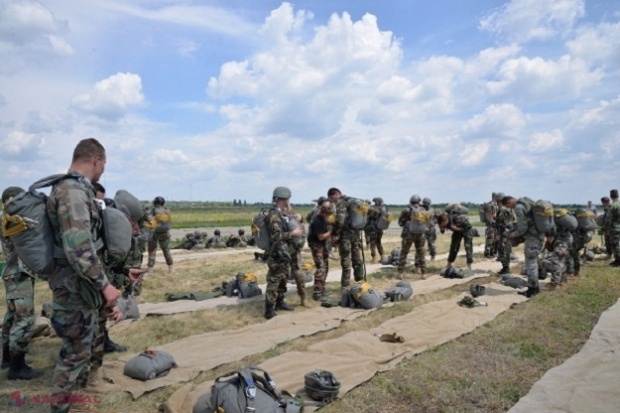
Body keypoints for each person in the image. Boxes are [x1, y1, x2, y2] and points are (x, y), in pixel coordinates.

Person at [46, 138, 121, 413]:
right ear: (95, 160)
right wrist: (105, 286)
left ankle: (75, 402)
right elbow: (79, 248)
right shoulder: (72, 192)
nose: (103, 171)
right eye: (103, 165)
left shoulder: (75, 190)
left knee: (82, 348)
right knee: (74, 355)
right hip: (73, 286)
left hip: (78, 284)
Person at [0, 187, 44, 380]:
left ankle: (7, 359)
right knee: (24, 319)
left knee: (12, 316)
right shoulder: (9, 219)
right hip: (19, 274)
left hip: (14, 274)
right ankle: (17, 368)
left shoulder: (7, 219)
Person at [92, 185, 130, 354]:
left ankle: (103, 342)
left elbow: (103, 260)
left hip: (97, 277)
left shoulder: (97, 224)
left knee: (99, 314)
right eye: (98, 201)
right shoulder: (81, 225)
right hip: (84, 281)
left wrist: (126, 270)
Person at [263, 186, 304, 319]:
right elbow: (276, 237)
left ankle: (280, 302)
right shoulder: (274, 215)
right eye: (287, 199)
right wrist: (293, 233)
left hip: (284, 253)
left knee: (283, 279)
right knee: (274, 281)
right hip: (277, 254)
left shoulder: (282, 213)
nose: (288, 202)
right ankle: (269, 310)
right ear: (282, 199)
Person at [501, 196, 546, 297]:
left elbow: (523, 229)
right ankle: (537, 282)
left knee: (530, 262)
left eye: (508, 206)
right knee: (534, 259)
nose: (510, 208)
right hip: (539, 235)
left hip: (532, 237)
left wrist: (511, 234)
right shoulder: (526, 201)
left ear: (509, 201)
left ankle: (533, 288)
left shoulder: (518, 208)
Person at [328, 188, 364, 290]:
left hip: (345, 236)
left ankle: (345, 286)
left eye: (332, 198)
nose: (332, 200)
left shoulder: (341, 202)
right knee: (357, 259)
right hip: (356, 235)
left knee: (346, 260)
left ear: (336, 194)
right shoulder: (353, 200)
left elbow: (340, 220)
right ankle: (360, 282)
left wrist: (335, 233)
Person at [397, 195, 429, 279]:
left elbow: (400, 223)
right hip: (420, 235)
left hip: (408, 235)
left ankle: (400, 273)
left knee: (404, 253)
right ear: (419, 201)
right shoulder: (423, 210)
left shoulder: (406, 210)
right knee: (421, 253)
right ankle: (423, 273)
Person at [307, 202, 333, 301]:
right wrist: (330, 232)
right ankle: (317, 293)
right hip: (316, 245)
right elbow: (321, 237)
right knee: (321, 268)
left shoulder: (321, 216)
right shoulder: (317, 220)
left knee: (325, 266)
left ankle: (321, 289)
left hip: (321, 245)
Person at [438, 204, 474, 270]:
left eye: (443, 224)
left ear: (445, 221)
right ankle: (449, 264)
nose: (442, 226)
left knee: (468, 247)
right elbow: (442, 231)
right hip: (457, 231)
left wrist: (456, 228)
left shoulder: (457, 218)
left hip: (466, 230)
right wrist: (442, 228)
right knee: (453, 247)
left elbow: (468, 226)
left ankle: (469, 266)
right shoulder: (444, 221)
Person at [147, 196, 174, 274]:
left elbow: (149, 220)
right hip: (165, 234)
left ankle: (150, 270)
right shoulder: (167, 211)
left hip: (154, 233)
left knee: (152, 251)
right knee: (166, 251)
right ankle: (171, 269)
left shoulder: (153, 210)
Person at [494, 192, 513, 274]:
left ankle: (505, 268)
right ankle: (506, 267)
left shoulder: (501, 210)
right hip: (509, 232)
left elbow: (501, 224)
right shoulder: (509, 209)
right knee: (507, 249)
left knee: (501, 250)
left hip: (503, 233)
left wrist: (498, 234)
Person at [366, 197, 386, 264]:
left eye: (375, 201)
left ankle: (373, 259)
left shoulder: (374, 209)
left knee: (373, 244)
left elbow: (369, 217)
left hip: (373, 229)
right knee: (379, 243)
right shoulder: (384, 209)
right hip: (380, 228)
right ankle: (382, 257)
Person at [604, 189, 620, 267]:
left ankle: (618, 260)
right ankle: (617, 259)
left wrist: (606, 229)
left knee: (615, 244)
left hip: (615, 228)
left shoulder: (613, 205)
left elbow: (608, 218)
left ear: (611, 196)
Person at [484, 193, 499, 258]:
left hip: (495, 224)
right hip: (491, 225)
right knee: (490, 238)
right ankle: (487, 253)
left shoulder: (496, 205)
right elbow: (489, 216)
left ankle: (492, 252)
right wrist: (491, 225)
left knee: (494, 239)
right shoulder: (489, 205)